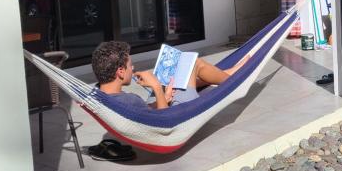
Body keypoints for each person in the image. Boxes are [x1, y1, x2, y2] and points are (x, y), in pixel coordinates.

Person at [91, 41, 249, 110]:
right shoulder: (128, 100)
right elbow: (162, 121)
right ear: (120, 71)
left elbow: (143, 110)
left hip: (161, 103)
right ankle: (233, 79)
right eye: (129, 65)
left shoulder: (102, 94)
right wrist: (157, 88)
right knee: (193, 63)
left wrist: (164, 97)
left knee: (180, 73)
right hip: (176, 111)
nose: (133, 68)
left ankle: (230, 71)